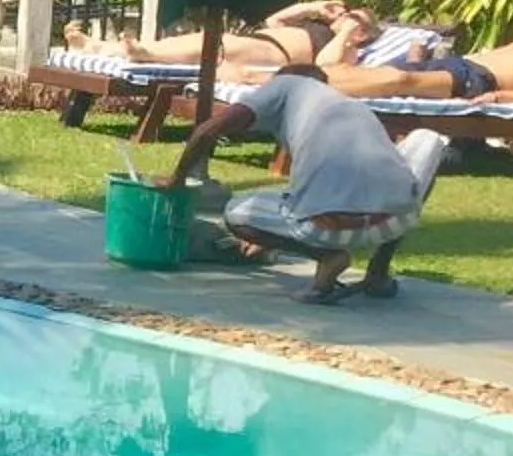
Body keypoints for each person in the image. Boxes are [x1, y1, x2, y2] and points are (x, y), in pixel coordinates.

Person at [164, 64, 451, 303]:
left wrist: (177, 178)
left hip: (329, 228)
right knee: (427, 140)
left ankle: (327, 258)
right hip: (398, 218)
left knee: (235, 212)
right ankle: (378, 272)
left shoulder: (286, 84)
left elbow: (208, 130)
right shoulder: (348, 107)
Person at [320, 24, 513, 106]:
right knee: (379, 75)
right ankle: (305, 79)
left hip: (477, 79)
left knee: (398, 80)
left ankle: (310, 84)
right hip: (462, 66)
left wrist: (501, 97)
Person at [104, 0, 364, 72]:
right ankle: (102, 48)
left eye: (352, 16)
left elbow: (326, 66)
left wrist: (349, 31)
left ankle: (144, 53)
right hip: (259, 41)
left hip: (272, 55)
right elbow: (276, 20)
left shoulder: (348, 48)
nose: (343, 16)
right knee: (198, 42)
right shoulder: (316, 26)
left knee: (209, 46)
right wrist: (314, 7)